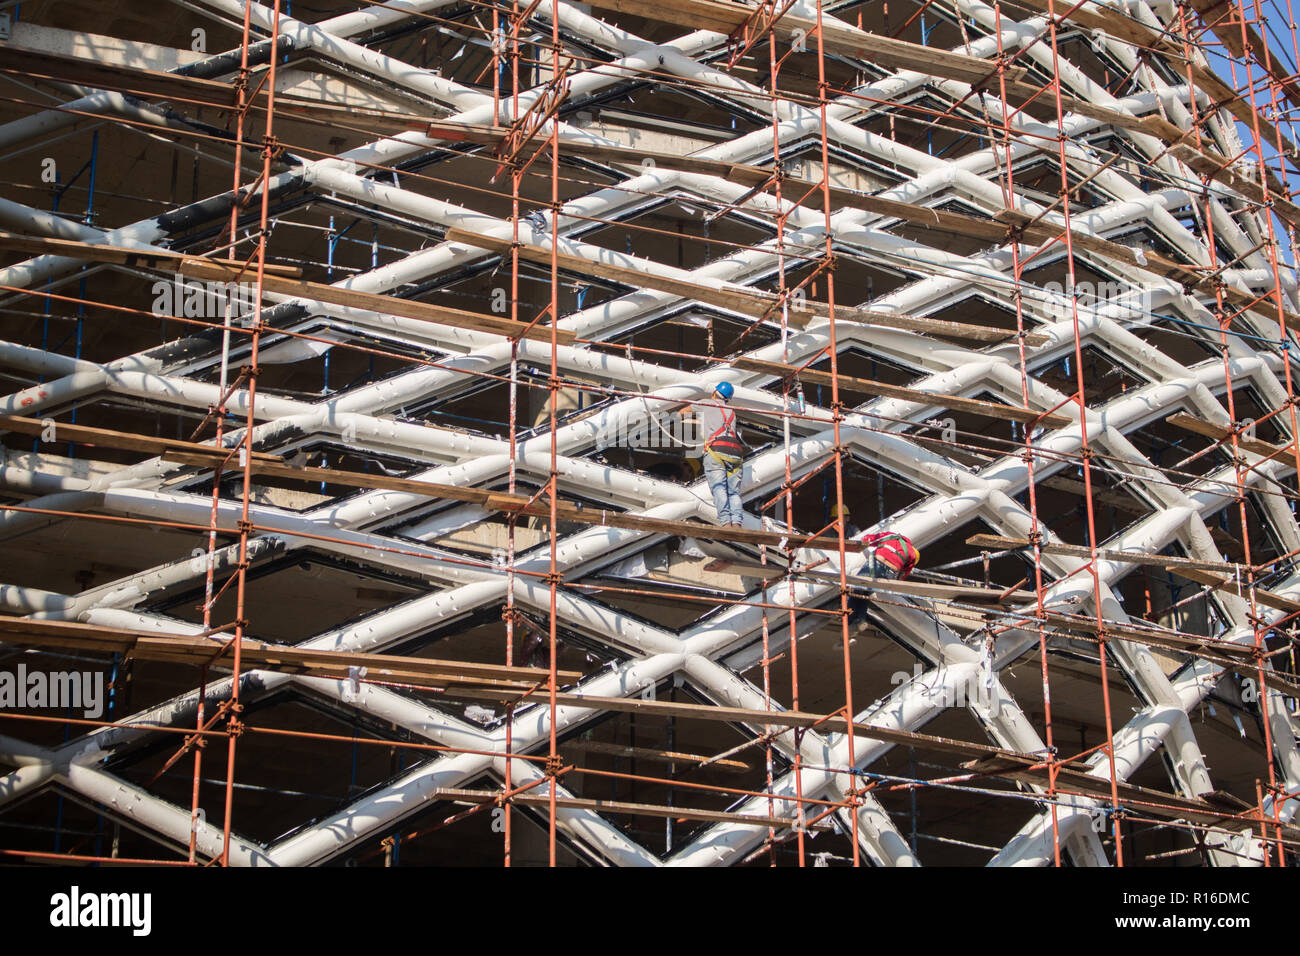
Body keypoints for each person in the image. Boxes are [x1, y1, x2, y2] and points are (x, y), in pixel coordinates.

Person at [696, 381, 746, 527]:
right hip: (735, 452)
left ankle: (726, 522)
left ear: (714, 393)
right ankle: (736, 523)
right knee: (734, 491)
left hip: (716, 450)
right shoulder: (731, 412)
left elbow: (682, 411)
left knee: (719, 487)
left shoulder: (706, 403)